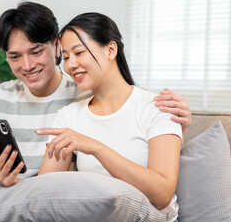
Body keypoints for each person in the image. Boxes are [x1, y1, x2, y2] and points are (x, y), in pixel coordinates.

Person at [0, 2, 191, 222]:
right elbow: (43, 192)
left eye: (36, 52)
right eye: (15, 56)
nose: (27, 65)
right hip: (18, 203)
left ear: (52, 45)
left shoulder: (93, 93)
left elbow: (122, 95)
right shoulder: (62, 112)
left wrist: (179, 125)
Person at [35, 12, 183, 221]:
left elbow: (162, 195)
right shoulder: (68, 117)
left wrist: (96, 147)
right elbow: (44, 193)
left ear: (111, 50)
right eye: (66, 57)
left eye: (78, 53)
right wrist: (12, 182)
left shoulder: (157, 107)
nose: (70, 65)